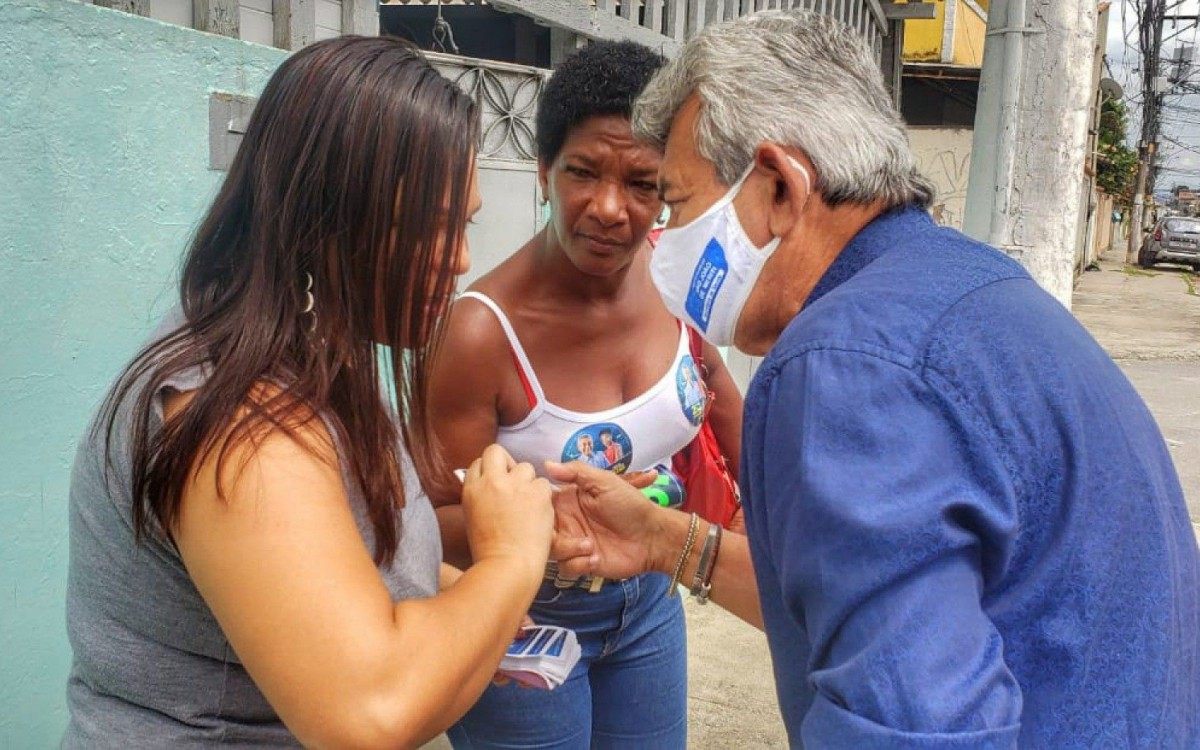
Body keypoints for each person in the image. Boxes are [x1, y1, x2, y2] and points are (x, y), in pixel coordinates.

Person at [551, 11, 1200, 749]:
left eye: (677, 202)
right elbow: (870, 605)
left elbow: (908, 726)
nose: (662, 239)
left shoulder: (844, 366)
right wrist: (666, 538)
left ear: (779, 188)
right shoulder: (969, 290)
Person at [63, 38, 557, 748]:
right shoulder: (237, 420)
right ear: (326, 220)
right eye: (432, 226)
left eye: (465, 223)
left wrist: (473, 607)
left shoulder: (321, 354)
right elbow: (370, 711)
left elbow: (351, 565)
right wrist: (510, 561)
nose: (461, 259)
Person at [428, 40, 743, 749]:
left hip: (653, 599)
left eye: (642, 183)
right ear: (543, 171)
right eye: (582, 172)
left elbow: (713, 386)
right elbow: (426, 522)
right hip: (523, 622)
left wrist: (769, 501)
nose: (609, 208)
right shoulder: (480, 336)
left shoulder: (673, 274)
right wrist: (544, 517)